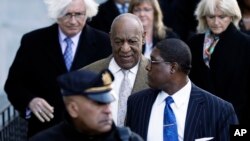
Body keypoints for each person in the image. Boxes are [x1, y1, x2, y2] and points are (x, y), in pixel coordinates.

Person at [4, 0, 112, 137]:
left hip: (89, 132)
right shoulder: (33, 42)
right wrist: (30, 101)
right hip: (44, 132)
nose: (73, 21)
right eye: (67, 14)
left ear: (87, 14)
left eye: (79, 14)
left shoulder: (104, 43)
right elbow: (13, 84)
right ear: (56, 14)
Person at [126, 38, 239, 141]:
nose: (147, 67)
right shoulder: (136, 103)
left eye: (153, 61)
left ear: (173, 68)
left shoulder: (220, 110)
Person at [29, 69, 143, 141]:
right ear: (73, 109)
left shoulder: (129, 139)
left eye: (108, 102)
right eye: (99, 103)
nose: (108, 110)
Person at [187, 0, 250, 125]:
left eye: (222, 17)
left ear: (231, 16)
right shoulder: (194, 43)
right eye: (211, 16)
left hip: (236, 119)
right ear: (204, 17)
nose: (216, 22)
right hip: (200, 119)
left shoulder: (245, 45)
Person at [81, 13, 149, 126]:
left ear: (143, 38)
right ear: (111, 39)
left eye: (132, 41)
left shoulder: (159, 76)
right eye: (118, 42)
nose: (125, 49)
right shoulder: (87, 75)